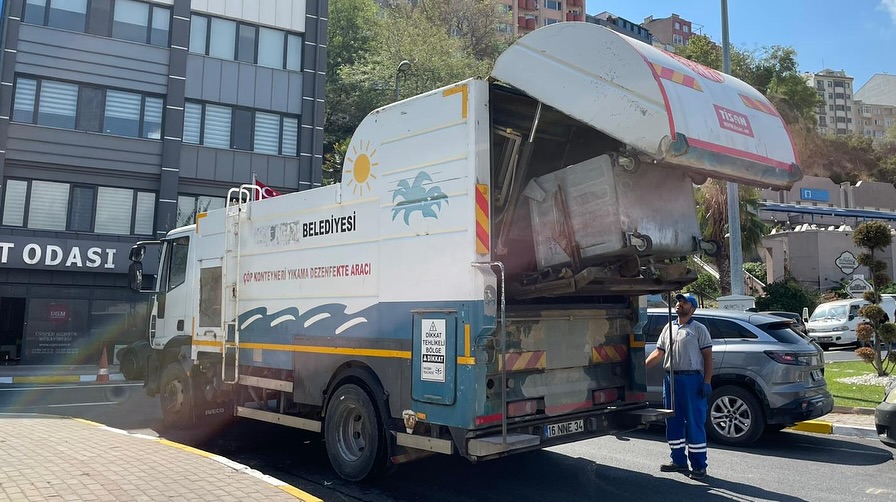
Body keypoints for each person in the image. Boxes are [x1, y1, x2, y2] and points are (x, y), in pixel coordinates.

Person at [645, 293, 713, 480]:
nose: (679, 304)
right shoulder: (669, 327)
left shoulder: (699, 329)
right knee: (672, 420)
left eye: (684, 302)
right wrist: (640, 368)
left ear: (692, 308)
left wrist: (706, 381)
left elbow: (708, 357)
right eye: (678, 301)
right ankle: (678, 461)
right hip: (671, 379)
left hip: (692, 380)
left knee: (694, 422)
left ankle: (699, 465)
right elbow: (659, 353)